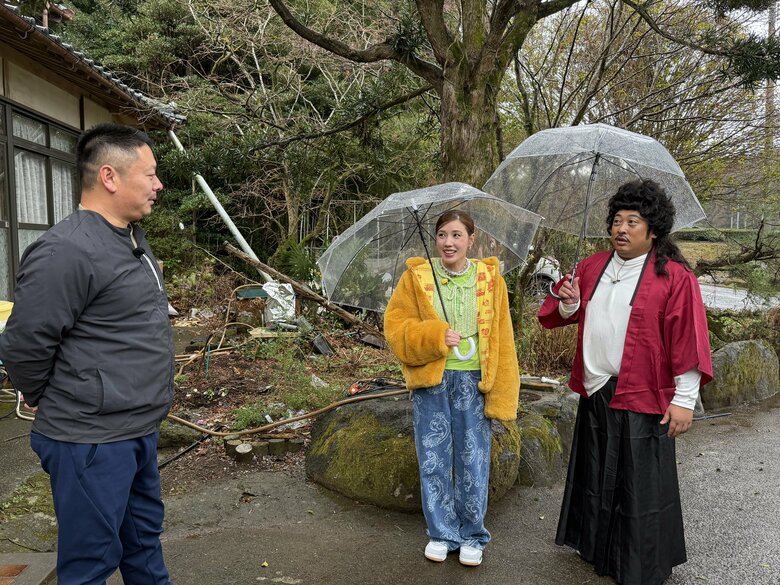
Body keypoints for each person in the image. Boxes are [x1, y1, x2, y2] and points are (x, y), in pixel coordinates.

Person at [0, 123, 175, 585]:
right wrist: (44, 395)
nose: (158, 185)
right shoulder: (66, 250)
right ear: (109, 177)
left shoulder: (131, 239)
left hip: (137, 427)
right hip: (90, 439)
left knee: (144, 545)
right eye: (150, 174)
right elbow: (24, 343)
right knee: (90, 563)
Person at [538, 179, 713, 585]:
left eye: (633, 221)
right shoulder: (591, 266)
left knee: (638, 485)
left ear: (653, 230)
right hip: (597, 388)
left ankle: (638, 564)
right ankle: (595, 549)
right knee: (596, 473)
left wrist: (684, 399)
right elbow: (562, 313)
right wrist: (569, 303)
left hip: (643, 394)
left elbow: (688, 339)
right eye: (617, 220)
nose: (621, 228)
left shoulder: (674, 276)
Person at [384, 210, 520, 567]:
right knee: (433, 458)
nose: (448, 242)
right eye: (442, 234)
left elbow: (503, 335)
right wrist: (434, 336)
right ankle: (442, 533)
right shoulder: (416, 278)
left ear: (471, 240)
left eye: (457, 235)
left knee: (473, 458)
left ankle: (473, 534)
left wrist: (504, 391)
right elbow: (396, 327)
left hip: (475, 381)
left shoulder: (490, 279)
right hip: (432, 380)